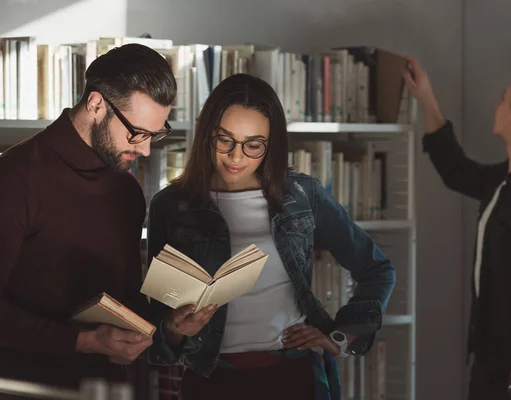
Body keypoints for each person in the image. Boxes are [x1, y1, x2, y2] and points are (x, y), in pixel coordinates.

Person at [146, 73, 396, 400]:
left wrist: (340, 338)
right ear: (206, 133)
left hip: (292, 376)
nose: (236, 157)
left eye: (253, 145)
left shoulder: (304, 195)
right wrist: (175, 328)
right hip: (211, 381)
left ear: (271, 145)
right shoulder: (170, 205)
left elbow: (377, 270)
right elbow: (158, 323)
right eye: (224, 140)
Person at [404, 56, 511, 400]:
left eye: (504, 97)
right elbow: (457, 171)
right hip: (496, 365)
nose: (497, 103)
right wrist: (426, 98)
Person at [0, 43, 177, 391]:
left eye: (156, 135)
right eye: (137, 132)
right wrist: (85, 341)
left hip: (109, 389)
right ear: (96, 104)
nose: (144, 149)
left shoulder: (126, 190)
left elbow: (123, 300)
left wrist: (169, 325)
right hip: (27, 389)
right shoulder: (14, 178)